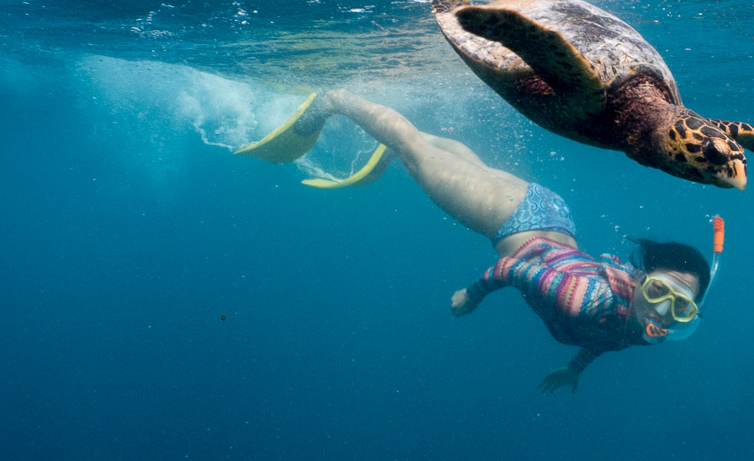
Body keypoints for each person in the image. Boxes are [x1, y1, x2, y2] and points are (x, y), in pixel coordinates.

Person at [235, 89, 722, 393]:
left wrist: (576, 369)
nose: (661, 312)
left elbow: (608, 340)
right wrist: (473, 295)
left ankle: (414, 142)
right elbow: (513, 270)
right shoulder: (581, 300)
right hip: (510, 221)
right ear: (638, 282)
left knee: (462, 166)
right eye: (658, 294)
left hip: (550, 215)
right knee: (414, 151)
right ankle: (334, 100)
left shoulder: (640, 330)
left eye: (678, 308)